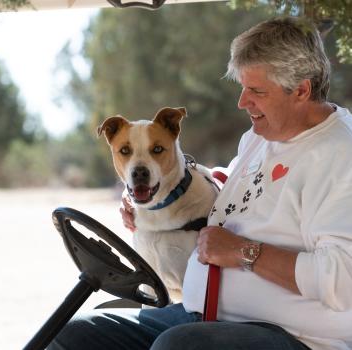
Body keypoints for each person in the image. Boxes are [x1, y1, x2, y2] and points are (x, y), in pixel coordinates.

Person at [48, 17, 352, 350]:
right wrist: (155, 193)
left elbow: (343, 279)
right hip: (202, 314)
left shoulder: (339, 155)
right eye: (243, 87)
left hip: (296, 337)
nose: (242, 102)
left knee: (177, 346)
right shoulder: (262, 135)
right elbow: (239, 188)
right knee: (73, 333)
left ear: (301, 90)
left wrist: (243, 253)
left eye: (257, 91)